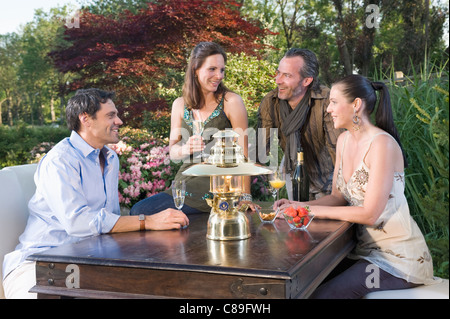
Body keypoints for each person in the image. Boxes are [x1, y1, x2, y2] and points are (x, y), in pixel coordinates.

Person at [2, 88, 188, 299]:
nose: (119, 121)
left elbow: (106, 221)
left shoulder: (110, 158)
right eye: (111, 115)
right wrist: (147, 221)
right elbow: (79, 223)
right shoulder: (60, 161)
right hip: (37, 264)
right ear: (86, 119)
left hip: (86, 260)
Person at [277, 75, 437, 298]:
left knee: (322, 295)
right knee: (299, 285)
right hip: (361, 252)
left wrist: (309, 211)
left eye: (333, 102)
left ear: (356, 105)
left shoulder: (382, 144)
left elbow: (370, 214)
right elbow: (337, 196)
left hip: (397, 260)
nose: (328, 109)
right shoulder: (344, 141)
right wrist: (298, 205)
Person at [130, 42, 251, 216]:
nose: (219, 75)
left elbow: (243, 152)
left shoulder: (231, 101)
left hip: (216, 187)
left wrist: (245, 197)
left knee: (140, 212)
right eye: (212, 69)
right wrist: (185, 149)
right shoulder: (179, 105)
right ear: (195, 69)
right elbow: (173, 152)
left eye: (222, 70)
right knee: (139, 212)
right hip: (182, 186)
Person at [257, 48, 344, 200]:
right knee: (296, 220)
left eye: (287, 75)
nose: (278, 80)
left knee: (327, 222)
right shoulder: (271, 102)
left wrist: (338, 195)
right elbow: (260, 150)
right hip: (293, 177)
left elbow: (339, 152)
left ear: (306, 81)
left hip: (330, 181)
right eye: (278, 73)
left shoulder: (325, 100)